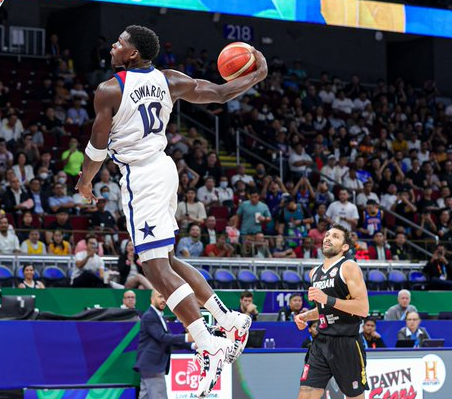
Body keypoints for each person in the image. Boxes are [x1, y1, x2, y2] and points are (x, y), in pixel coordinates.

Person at [75, 25, 265, 395]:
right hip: (165, 169)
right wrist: (258, 73)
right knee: (169, 259)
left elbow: (97, 148)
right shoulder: (169, 79)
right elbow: (223, 94)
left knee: (154, 268)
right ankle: (228, 319)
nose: (113, 45)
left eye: (120, 43)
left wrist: (84, 182)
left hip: (141, 178)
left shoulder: (109, 90)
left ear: (131, 55)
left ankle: (209, 344)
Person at [293, 224, 370, 399]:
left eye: (335, 236)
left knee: (354, 395)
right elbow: (323, 308)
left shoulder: (349, 267)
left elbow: (363, 308)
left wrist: (326, 299)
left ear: (345, 247)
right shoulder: (315, 273)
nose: (328, 238)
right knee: (306, 392)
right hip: (321, 340)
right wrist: (305, 316)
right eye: (327, 235)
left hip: (346, 341)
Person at [134, 290, 195, 399]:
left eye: (165, 297)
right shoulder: (149, 316)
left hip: (149, 366)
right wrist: (187, 337)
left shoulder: (158, 316)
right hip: (152, 366)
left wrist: (192, 345)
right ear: (152, 299)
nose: (163, 300)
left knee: (145, 396)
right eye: (160, 297)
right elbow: (162, 337)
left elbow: (169, 340)